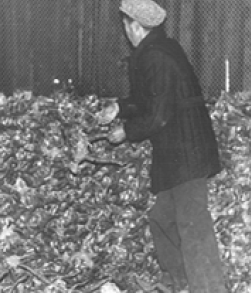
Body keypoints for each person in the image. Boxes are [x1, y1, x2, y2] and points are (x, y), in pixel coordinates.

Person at [97, 0, 227, 292]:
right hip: (178, 151)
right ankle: (178, 281)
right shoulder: (159, 50)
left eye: (125, 25)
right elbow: (150, 99)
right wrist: (118, 108)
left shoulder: (156, 57)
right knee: (162, 218)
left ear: (133, 25)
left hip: (187, 150)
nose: (125, 31)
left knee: (193, 224)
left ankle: (209, 288)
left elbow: (158, 115)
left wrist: (126, 132)